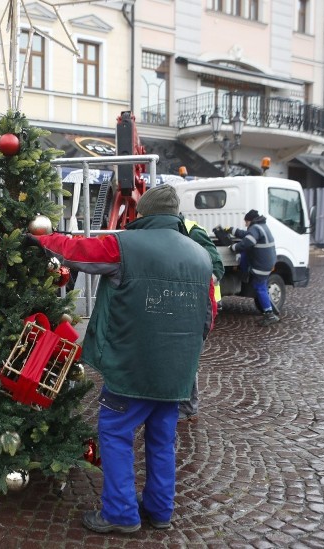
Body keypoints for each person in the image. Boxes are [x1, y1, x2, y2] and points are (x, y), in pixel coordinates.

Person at [25, 185, 215, 533]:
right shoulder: (201, 256)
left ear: (142, 213)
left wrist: (43, 239)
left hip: (131, 367)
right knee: (162, 440)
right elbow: (207, 317)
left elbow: (79, 251)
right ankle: (160, 511)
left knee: (114, 433)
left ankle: (120, 513)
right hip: (175, 374)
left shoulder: (123, 245)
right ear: (175, 215)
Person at [178, 215, 224, 422]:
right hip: (188, 304)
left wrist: (190, 282)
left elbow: (217, 268)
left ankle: (188, 407)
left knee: (188, 357)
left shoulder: (192, 231)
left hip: (201, 305)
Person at [224, 209, 278, 326]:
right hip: (268, 264)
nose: (245, 224)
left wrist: (233, 247)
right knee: (262, 287)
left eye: (246, 222)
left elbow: (246, 243)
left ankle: (269, 314)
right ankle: (271, 311)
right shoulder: (261, 226)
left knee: (259, 287)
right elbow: (246, 235)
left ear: (250, 221)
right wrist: (232, 230)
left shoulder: (255, 228)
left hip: (261, 265)